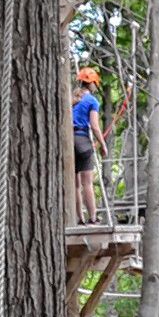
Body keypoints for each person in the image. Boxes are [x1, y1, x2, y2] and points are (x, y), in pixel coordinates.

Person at [70, 66, 111, 221]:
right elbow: (94, 125)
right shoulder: (92, 101)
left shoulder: (72, 98)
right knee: (87, 183)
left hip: (69, 142)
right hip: (83, 141)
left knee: (75, 185)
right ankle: (93, 218)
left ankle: (79, 218)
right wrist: (103, 144)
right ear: (92, 83)